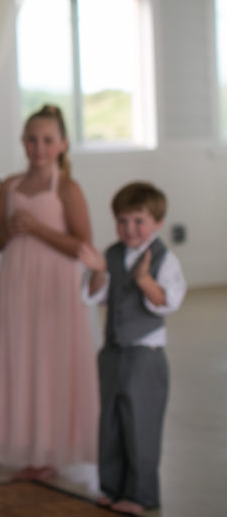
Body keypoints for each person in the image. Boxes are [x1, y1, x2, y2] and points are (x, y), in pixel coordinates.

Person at [0, 104, 98, 480]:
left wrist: (38, 229)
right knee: (20, 358)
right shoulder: (10, 185)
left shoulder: (67, 188)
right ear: (23, 142)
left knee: (50, 361)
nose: (38, 147)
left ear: (61, 145)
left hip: (55, 289)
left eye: (47, 140)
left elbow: (84, 246)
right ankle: (18, 442)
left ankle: (49, 448)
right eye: (32, 139)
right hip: (17, 284)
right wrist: (11, 227)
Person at [78, 182, 186, 515]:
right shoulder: (112, 254)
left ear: (157, 222)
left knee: (141, 426)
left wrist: (144, 282)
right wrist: (97, 272)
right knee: (110, 423)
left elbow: (168, 302)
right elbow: (95, 296)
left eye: (138, 221)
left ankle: (141, 494)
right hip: (113, 351)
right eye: (122, 221)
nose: (130, 229)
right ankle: (112, 486)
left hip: (145, 355)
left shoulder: (164, 260)